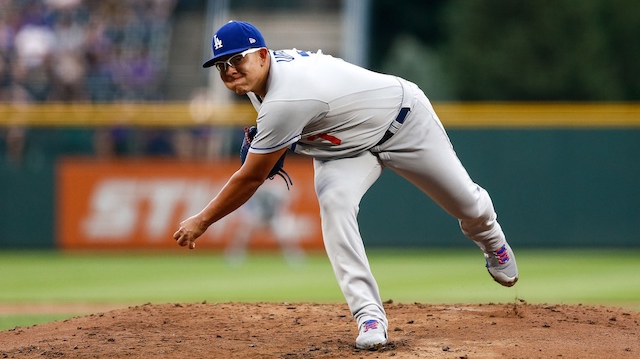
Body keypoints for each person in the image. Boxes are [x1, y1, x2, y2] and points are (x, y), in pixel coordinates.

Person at [173, 20, 519, 350]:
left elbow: (250, 178)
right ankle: (369, 316)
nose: (229, 69)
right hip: (341, 150)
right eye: (221, 65)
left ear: (263, 55)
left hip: (402, 121)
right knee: (335, 207)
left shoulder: (286, 97)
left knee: (466, 204)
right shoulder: (264, 81)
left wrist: (201, 221)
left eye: (237, 59)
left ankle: (492, 240)